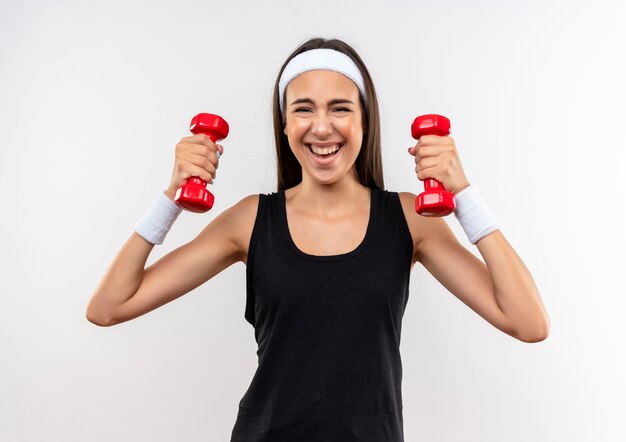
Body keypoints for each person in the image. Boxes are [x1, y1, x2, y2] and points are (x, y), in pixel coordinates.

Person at [86, 37, 550, 441]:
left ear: (365, 122)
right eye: (303, 109)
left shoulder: (410, 219)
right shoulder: (251, 220)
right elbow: (108, 307)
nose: (322, 126)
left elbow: (527, 322)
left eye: (340, 108)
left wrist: (463, 194)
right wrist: (171, 196)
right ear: (285, 125)